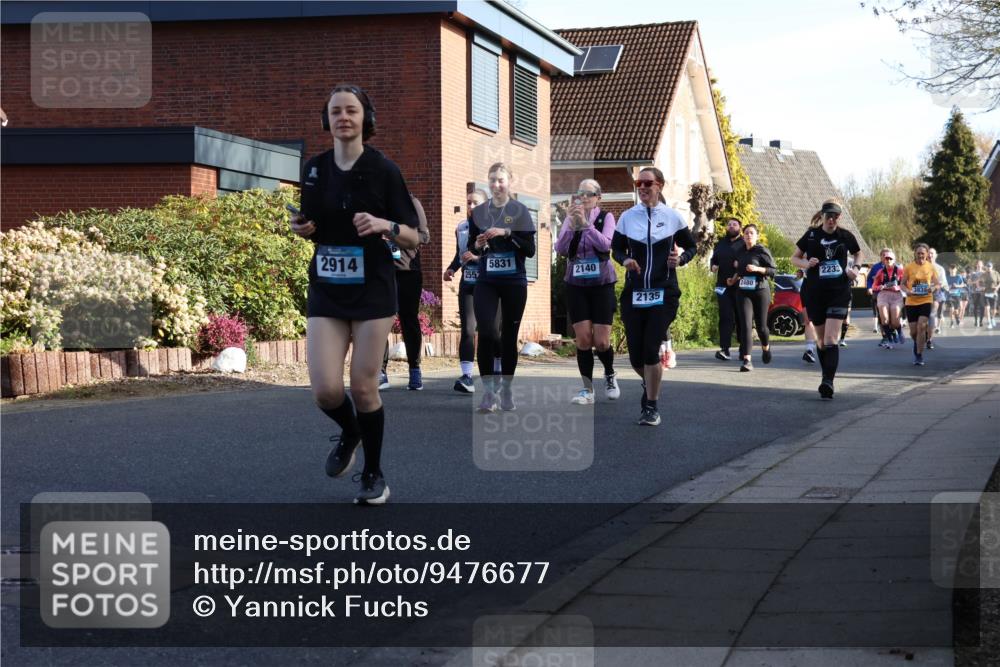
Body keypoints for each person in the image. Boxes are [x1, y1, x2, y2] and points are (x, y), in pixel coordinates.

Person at [290, 84, 420, 504]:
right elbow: (312, 225)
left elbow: (415, 237)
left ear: (365, 118)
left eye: (351, 110)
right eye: (335, 111)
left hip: (373, 288)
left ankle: (373, 474)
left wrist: (386, 226)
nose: (343, 117)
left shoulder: (384, 170)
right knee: (326, 390)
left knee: (363, 385)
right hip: (328, 286)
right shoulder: (314, 169)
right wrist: (303, 229)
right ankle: (351, 431)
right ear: (326, 120)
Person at [611, 167, 697, 426]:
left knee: (650, 349)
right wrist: (625, 259)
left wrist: (680, 258)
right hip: (635, 293)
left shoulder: (672, 217)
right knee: (636, 356)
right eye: (639, 183)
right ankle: (649, 383)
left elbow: (692, 246)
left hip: (664, 291)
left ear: (659, 185)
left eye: (648, 183)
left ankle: (651, 406)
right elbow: (616, 247)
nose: (642, 187)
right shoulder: (628, 217)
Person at [469, 162, 536, 412]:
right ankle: (488, 393)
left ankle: (506, 389)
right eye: (492, 180)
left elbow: (530, 250)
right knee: (486, 333)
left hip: (513, 282)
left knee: (508, 338)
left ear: (510, 182)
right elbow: (472, 249)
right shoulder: (479, 213)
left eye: (501, 180)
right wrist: (477, 244)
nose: (496, 184)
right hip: (486, 280)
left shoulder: (520, 211)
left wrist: (507, 233)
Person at [554, 179, 620, 404]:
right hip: (576, 283)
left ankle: (610, 374)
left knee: (601, 342)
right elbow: (561, 249)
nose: (583, 198)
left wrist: (586, 225)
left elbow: (605, 245)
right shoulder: (570, 218)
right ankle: (587, 389)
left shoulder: (606, 218)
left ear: (598, 198)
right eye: (580, 193)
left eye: (589, 194)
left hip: (602, 284)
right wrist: (572, 226)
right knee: (583, 339)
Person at [791, 199, 862, 399]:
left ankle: (828, 381)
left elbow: (859, 253)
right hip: (815, 293)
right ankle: (826, 374)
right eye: (828, 217)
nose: (831, 221)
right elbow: (794, 258)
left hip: (839, 291)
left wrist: (855, 269)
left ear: (839, 218)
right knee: (821, 340)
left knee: (831, 338)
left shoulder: (845, 235)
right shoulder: (811, 235)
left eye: (835, 217)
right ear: (822, 216)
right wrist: (806, 263)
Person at [444, 189, 500, 393]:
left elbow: (499, 254)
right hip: (468, 282)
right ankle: (467, 376)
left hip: (491, 283)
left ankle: (497, 373)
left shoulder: (493, 226)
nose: (471, 207)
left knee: (492, 332)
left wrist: (478, 258)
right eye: (468, 203)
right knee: (467, 329)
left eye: (475, 203)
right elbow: (461, 254)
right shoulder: (461, 227)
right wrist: (452, 268)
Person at [379, 194, 431, 390]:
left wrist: (393, 233)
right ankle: (381, 372)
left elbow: (425, 236)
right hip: (380, 272)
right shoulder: (375, 202)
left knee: (408, 319)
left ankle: (415, 369)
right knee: (380, 320)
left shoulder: (411, 203)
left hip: (407, 271)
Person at [726, 223, 776, 371]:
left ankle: (766, 348)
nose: (748, 235)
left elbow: (773, 271)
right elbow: (740, 271)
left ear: (757, 236)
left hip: (760, 290)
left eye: (751, 233)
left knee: (761, 327)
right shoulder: (740, 251)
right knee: (746, 325)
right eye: (746, 233)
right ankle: (747, 360)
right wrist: (733, 280)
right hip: (743, 291)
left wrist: (757, 269)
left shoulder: (762, 251)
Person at [710, 217, 744, 361]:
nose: (731, 226)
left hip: (740, 286)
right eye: (729, 224)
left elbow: (752, 259)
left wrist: (740, 263)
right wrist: (713, 265)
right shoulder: (720, 243)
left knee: (741, 317)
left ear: (740, 228)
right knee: (725, 316)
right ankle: (725, 349)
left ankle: (744, 348)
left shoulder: (744, 243)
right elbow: (714, 259)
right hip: (722, 286)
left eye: (734, 224)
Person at [901, 243, 941, 366]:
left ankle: (919, 355)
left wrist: (932, 289)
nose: (920, 255)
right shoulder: (909, 267)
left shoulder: (931, 267)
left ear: (927, 254)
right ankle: (918, 342)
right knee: (913, 332)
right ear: (915, 254)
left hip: (926, 300)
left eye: (922, 253)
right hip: (911, 302)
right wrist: (907, 291)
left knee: (922, 326)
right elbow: (902, 283)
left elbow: (937, 284)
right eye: (918, 253)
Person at [871, 249, 904, 349]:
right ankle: (889, 340)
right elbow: (874, 286)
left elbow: (906, 284)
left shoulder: (900, 271)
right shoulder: (880, 272)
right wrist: (879, 287)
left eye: (890, 258)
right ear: (884, 260)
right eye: (886, 259)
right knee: (884, 319)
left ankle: (899, 331)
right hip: (883, 295)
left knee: (895, 321)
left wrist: (898, 287)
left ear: (894, 260)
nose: (888, 260)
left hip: (896, 296)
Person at [926, 247, 949, 347]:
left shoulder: (940, 269)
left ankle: (929, 340)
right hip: (921, 294)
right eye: (928, 253)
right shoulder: (920, 267)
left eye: (932, 253)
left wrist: (934, 287)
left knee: (932, 314)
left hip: (936, 293)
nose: (930, 255)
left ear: (936, 255)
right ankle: (925, 333)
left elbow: (942, 283)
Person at [970, 260, 987, 327]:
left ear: (982, 265)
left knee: (982, 307)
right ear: (976, 265)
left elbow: (987, 282)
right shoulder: (973, 273)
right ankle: (976, 321)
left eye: (980, 264)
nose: (979, 265)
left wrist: (984, 287)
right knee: (975, 307)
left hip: (982, 292)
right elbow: (969, 282)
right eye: (978, 264)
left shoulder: (985, 273)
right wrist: (976, 282)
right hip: (975, 292)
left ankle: (981, 321)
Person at [984, 261, 999, 329]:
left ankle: (992, 318)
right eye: (987, 266)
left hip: (994, 293)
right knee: (987, 308)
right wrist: (980, 286)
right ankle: (989, 323)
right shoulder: (984, 274)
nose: (988, 267)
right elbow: (979, 281)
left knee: (994, 310)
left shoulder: (996, 273)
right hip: (986, 293)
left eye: (990, 266)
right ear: (986, 267)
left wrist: (997, 287)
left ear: (992, 267)